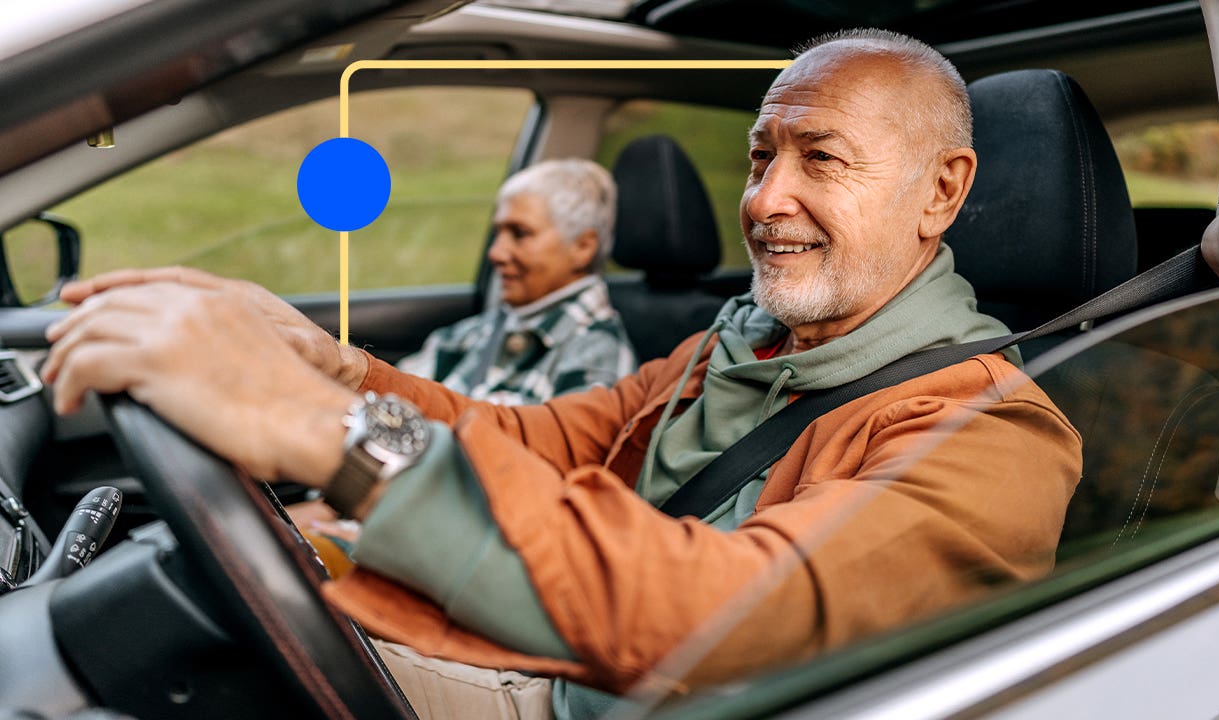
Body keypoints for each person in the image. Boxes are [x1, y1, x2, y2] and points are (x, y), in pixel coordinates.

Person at [41, 28, 1082, 719]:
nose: (764, 200)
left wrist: (325, 434)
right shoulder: (734, 346)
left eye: (820, 159)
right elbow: (527, 442)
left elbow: (720, 613)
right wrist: (335, 371)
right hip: (540, 654)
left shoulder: (992, 437)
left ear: (940, 191)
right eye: (760, 157)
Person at [396, 158, 636, 406]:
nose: (496, 253)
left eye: (520, 233)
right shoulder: (469, 335)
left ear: (583, 247)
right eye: (497, 234)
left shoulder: (597, 361)